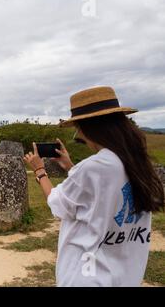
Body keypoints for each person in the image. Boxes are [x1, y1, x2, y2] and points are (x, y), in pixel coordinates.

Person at [24, 86, 164, 286]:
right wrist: (70, 166)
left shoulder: (93, 167)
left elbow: (57, 204)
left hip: (88, 277)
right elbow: (98, 191)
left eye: (78, 128)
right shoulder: (136, 163)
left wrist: (39, 171)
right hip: (125, 277)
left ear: (89, 128)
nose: (79, 134)